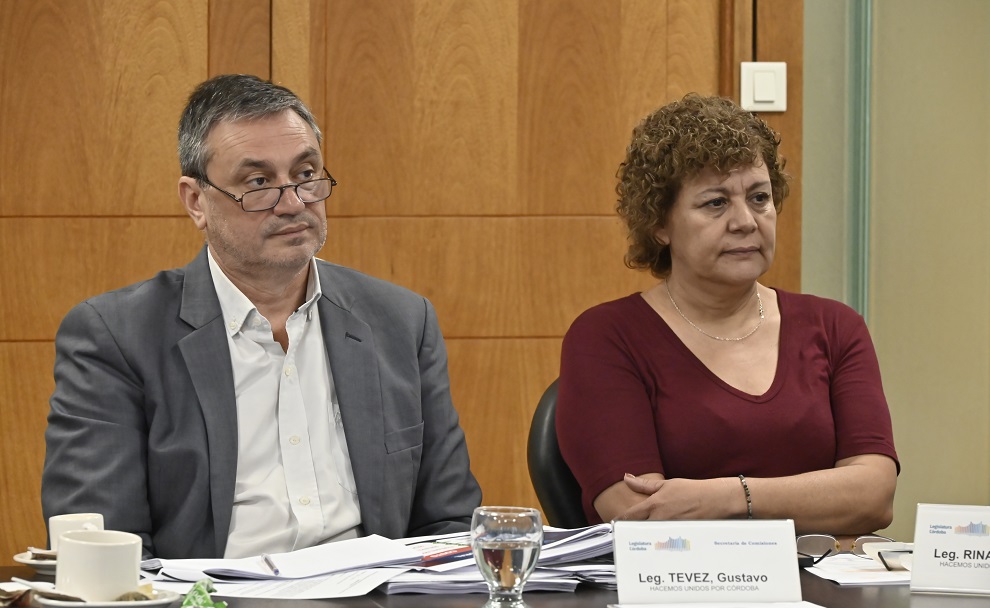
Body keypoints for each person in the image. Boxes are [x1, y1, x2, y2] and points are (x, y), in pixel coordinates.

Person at [42, 74, 482, 559]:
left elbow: (449, 523)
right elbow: (101, 550)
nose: (293, 203)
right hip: (209, 603)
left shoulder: (400, 320)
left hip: (374, 599)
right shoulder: (117, 337)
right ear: (196, 201)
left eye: (306, 174)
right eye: (258, 183)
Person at [556, 94, 898, 535]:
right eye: (715, 203)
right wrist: (812, 502)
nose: (746, 221)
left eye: (759, 198)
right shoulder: (606, 337)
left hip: (828, 576)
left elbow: (874, 495)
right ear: (659, 223)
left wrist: (730, 497)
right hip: (683, 577)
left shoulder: (835, 327)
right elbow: (642, 513)